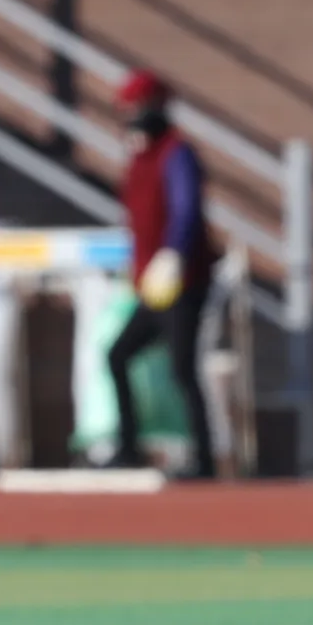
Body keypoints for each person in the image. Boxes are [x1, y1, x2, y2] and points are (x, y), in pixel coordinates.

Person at [108, 68, 216, 479]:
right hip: (150, 285)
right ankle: (128, 447)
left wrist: (173, 253)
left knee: (183, 368)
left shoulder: (176, 153)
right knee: (117, 355)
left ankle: (204, 459)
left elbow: (185, 208)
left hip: (181, 282)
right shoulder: (140, 157)